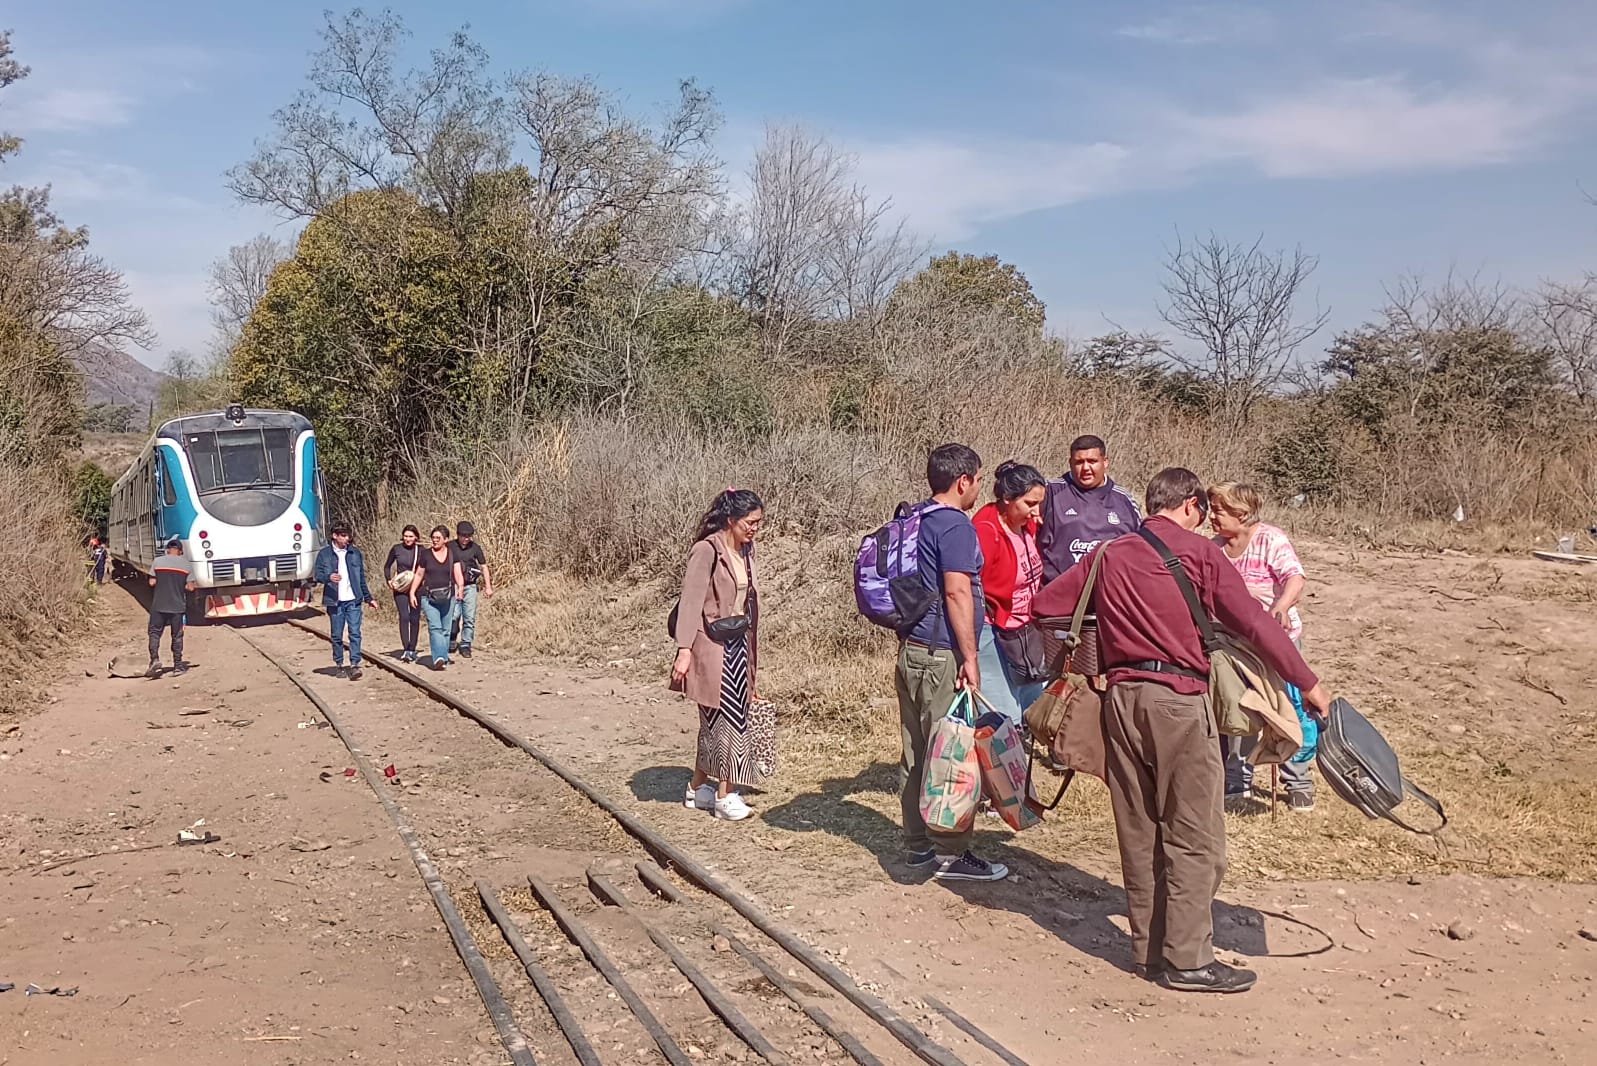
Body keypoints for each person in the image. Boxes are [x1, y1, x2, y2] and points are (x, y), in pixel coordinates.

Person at [1034, 468, 1332, 994]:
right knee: (1195, 832)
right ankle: (1190, 961)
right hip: (1178, 699)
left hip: (1119, 701)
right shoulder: (1200, 555)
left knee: (1140, 827)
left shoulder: (1108, 554)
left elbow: (1045, 608)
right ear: (1191, 505)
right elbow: (1257, 625)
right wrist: (1306, 682)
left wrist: (1104, 643)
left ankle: (1150, 953)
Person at [894, 444, 1009, 883]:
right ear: (964, 481)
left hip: (913, 651)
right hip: (942, 656)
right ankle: (951, 853)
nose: (979, 488)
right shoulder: (955, 527)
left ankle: (917, 846)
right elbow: (958, 592)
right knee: (952, 755)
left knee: (917, 752)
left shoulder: (915, 518)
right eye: (978, 480)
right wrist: (970, 656)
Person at [1208, 482, 1315, 811]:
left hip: (1278, 639)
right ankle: (1236, 780)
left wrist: (1280, 606)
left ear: (1241, 515)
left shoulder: (1271, 539)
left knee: (1290, 708)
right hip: (1235, 644)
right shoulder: (1213, 548)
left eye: (1218, 511)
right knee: (1237, 707)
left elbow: (1295, 579)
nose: (1211, 516)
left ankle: (1298, 779)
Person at [671, 489, 767, 822]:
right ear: (731, 520)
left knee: (723, 720)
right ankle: (725, 795)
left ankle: (697, 788)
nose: (754, 529)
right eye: (749, 522)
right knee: (726, 721)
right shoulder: (706, 550)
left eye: (758, 523)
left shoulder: (747, 549)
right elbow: (690, 601)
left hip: (739, 644)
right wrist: (684, 650)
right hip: (711, 646)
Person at [971, 461, 1049, 722]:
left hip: (1024, 630)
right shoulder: (986, 531)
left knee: (1034, 704)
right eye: (1029, 503)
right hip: (992, 629)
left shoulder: (1028, 525)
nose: (1036, 512)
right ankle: (1001, 760)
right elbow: (968, 586)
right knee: (1003, 713)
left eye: (1039, 503)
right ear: (1006, 498)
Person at [1036, 434, 1143, 584]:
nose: (1085, 468)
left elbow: (1139, 549)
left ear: (1105, 462)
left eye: (1092, 461)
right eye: (1079, 462)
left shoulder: (1124, 500)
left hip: (1108, 592)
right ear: (1070, 463)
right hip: (1059, 593)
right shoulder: (1050, 493)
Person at [314, 521, 378, 680]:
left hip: (353, 599)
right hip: (334, 601)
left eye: (348, 535)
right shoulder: (324, 554)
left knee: (355, 632)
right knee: (337, 634)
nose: (346, 539)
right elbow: (317, 575)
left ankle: (355, 664)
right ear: (334, 536)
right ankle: (339, 664)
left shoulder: (355, 553)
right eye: (343, 535)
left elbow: (361, 578)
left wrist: (368, 598)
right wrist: (328, 578)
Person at [410, 525, 464, 671]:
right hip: (428, 597)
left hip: (448, 596)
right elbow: (419, 574)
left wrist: (460, 588)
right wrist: (412, 592)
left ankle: (443, 658)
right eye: (433, 538)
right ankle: (438, 657)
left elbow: (458, 573)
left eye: (438, 538)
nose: (435, 540)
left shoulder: (453, 554)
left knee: (446, 629)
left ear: (445, 540)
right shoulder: (426, 555)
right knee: (435, 627)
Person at [146, 539, 195, 677]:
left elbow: (152, 582)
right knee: (177, 635)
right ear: (180, 551)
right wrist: (180, 585)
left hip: (158, 605)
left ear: (167, 550)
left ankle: (154, 660)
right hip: (177, 606)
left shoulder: (158, 561)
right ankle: (178, 666)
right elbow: (190, 587)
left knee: (154, 633)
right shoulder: (186, 565)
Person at [447, 520, 493, 658]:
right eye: (463, 536)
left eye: (469, 536)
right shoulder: (450, 546)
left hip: (470, 586)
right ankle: (452, 638)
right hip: (453, 585)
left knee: (469, 617)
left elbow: (484, 566)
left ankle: (466, 643)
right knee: (454, 616)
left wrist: (488, 586)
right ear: (458, 535)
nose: (466, 539)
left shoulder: (475, 548)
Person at [384, 524, 424, 663]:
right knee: (404, 616)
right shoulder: (396, 549)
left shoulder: (422, 550)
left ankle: (413, 648)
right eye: (406, 536)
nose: (407, 539)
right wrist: (389, 580)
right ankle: (406, 648)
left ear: (416, 538)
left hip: (417, 587)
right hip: (400, 587)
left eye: (411, 536)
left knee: (414, 618)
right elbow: (387, 565)